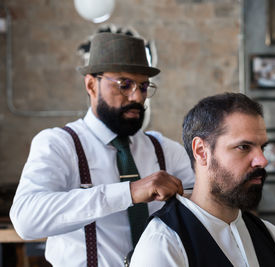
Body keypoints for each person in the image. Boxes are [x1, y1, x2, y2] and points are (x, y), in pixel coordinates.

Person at [10, 32, 195, 266]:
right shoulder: (58, 144)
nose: (137, 97)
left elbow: (202, 207)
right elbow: (26, 220)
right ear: (91, 84)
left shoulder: (166, 150)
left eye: (144, 86)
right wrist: (128, 192)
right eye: (124, 85)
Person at [131, 93, 275, 267]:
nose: (262, 160)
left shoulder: (274, 239)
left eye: (262, 147)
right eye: (243, 147)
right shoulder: (163, 244)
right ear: (202, 151)